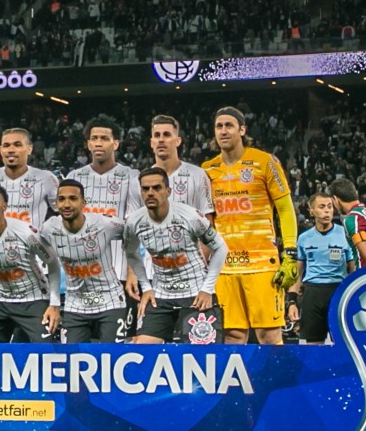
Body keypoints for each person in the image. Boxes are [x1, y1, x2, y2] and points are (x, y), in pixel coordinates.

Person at [201, 106, 299, 344]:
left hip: (262, 264)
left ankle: (277, 382)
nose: (223, 131)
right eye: (219, 126)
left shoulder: (265, 162)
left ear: (242, 130)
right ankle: (237, 382)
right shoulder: (207, 170)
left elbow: (285, 209)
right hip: (224, 267)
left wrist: (290, 252)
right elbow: (205, 220)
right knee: (232, 335)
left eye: (229, 125)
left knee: (268, 334)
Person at [125, 167, 227, 344]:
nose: (150, 193)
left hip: (195, 294)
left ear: (168, 191)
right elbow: (130, 252)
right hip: (161, 296)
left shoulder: (190, 216)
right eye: (145, 189)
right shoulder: (134, 222)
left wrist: (207, 289)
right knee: (142, 349)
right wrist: (146, 287)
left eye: (157, 188)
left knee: (199, 358)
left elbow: (221, 248)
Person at [65, 115, 139, 338]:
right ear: (87, 144)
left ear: (115, 143)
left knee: (120, 341)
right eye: (94, 138)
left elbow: (133, 229)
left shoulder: (131, 177)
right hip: (81, 275)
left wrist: (132, 273)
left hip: (118, 273)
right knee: (80, 343)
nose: (98, 143)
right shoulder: (74, 177)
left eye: (104, 138)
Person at [0, 183, 61, 343]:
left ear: (4, 206)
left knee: (46, 353)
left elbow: (52, 263)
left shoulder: (26, 233)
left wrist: (54, 304)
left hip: (33, 298)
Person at [39, 179, 126, 343]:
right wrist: (54, 303)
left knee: (113, 359)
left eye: (72, 198)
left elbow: (134, 232)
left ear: (83, 203)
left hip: (110, 301)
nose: (66, 204)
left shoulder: (105, 223)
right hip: (75, 304)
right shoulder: (49, 228)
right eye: (61, 199)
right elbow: (51, 265)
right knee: (73, 361)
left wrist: (132, 270)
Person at [287, 192, 356, 345]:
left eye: (330, 207)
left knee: (342, 343)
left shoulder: (345, 235)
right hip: (312, 294)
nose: (327, 211)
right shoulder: (304, 238)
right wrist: (291, 302)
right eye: (322, 207)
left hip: (338, 292)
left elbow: (353, 270)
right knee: (314, 345)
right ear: (312, 211)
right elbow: (297, 274)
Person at [0, 128, 58, 229]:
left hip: (31, 244)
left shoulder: (46, 178)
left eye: (17, 145)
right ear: (0, 150)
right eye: (6, 145)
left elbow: (64, 211)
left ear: (29, 149)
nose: (11, 150)